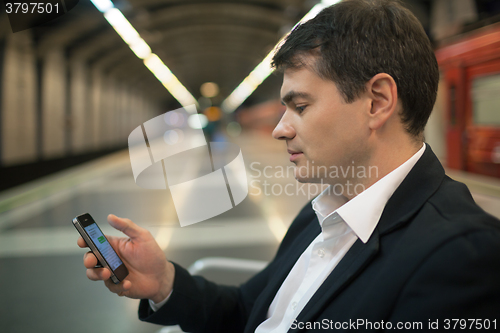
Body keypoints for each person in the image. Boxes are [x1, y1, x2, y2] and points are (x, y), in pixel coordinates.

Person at [78, 0, 500, 332]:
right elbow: (249, 310)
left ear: (377, 102)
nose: (280, 130)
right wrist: (165, 281)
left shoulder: (463, 256)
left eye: (300, 106)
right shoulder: (325, 211)